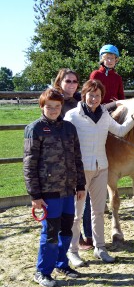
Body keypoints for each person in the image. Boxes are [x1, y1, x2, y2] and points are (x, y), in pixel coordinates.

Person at [64, 79, 134, 266]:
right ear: (84, 95)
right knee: (77, 213)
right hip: (80, 170)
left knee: (98, 211)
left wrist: (133, 118)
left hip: (101, 168)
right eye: (91, 95)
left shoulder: (104, 116)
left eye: (98, 96)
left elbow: (121, 131)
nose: (94, 99)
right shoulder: (72, 116)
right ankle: (72, 251)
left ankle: (100, 248)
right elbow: (65, 143)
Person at [24, 88, 86, 287]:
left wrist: (80, 184)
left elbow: (77, 158)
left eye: (57, 106)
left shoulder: (69, 128)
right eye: (49, 107)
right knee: (50, 233)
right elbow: (29, 164)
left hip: (69, 190)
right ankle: (42, 271)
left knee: (66, 230)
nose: (53, 110)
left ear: (61, 107)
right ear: (42, 106)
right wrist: (35, 194)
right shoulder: (35, 129)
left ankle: (62, 264)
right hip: (48, 192)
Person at [53, 68, 94, 250]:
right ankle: (70, 237)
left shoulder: (79, 100)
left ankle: (88, 235)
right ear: (60, 82)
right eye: (67, 81)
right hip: (63, 154)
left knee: (84, 196)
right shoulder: (55, 101)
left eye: (75, 81)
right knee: (70, 200)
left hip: (80, 154)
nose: (71, 85)